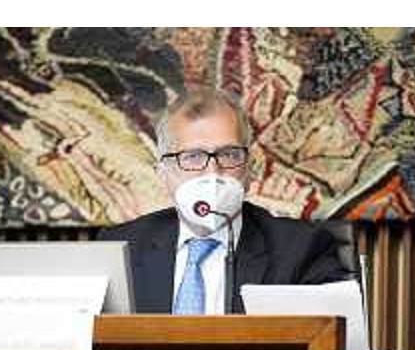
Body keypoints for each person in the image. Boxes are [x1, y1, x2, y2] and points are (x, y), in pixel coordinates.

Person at [98, 88, 355, 314]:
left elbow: (330, 343)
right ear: (163, 174)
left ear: (250, 169)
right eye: (193, 157)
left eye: (229, 155)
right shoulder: (121, 249)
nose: (212, 172)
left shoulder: (301, 249)